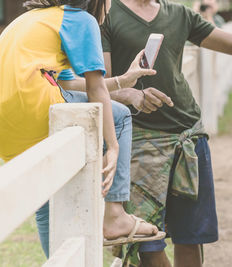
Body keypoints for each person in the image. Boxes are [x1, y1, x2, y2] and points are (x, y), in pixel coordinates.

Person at [60, 1, 232, 265]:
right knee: (144, 243)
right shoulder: (108, 15)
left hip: (189, 136)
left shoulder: (180, 15)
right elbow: (102, 84)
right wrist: (132, 95)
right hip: (141, 140)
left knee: (191, 238)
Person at [0, 0, 166, 258]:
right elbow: (94, 88)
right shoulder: (80, 20)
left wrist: (125, 79)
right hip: (34, 105)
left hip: (8, 124)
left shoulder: (36, 20)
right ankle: (115, 216)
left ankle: (58, 260)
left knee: (47, 201)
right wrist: (112, 146)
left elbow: (71, 84)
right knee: (120, 115)